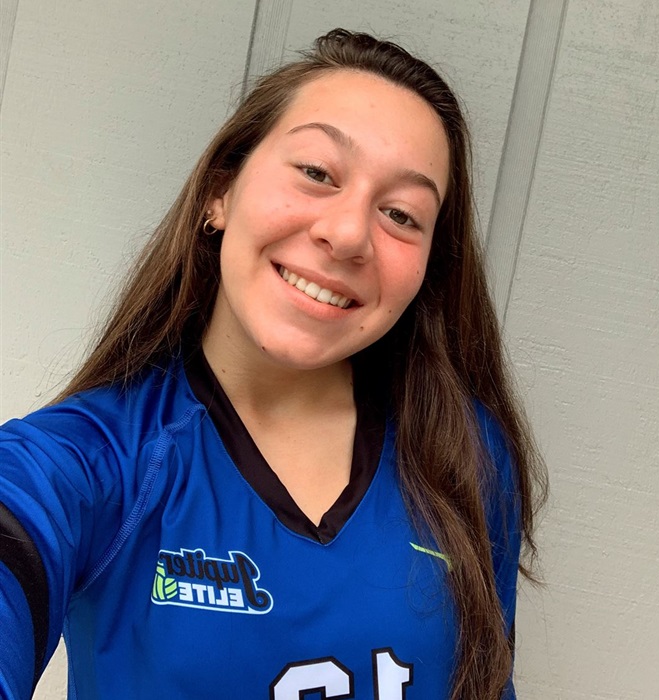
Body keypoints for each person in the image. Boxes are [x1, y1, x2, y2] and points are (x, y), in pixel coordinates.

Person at [0, 29, 546, 700]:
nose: (347, 234)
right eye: (317, 172)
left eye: (402, 214)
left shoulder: (466, 452)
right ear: (220, 191)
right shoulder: (93, 460)